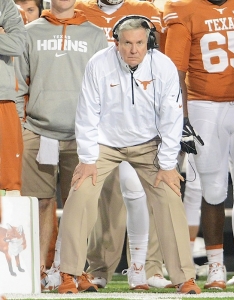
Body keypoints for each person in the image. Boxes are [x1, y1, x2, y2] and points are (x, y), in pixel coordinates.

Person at [58, 16, 201, 295]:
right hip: (104, 144)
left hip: (149, 143)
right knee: (80, 192)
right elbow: (86, 114)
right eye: (127, 43)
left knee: (170, 196)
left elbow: (171, 118)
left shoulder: (163, 65)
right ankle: (70, 273)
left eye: (139, 43)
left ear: (147, 42)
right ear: (116, 42)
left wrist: (168, 164)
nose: (134, 49)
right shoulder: (98, 64)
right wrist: (87, 160)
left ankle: (185, 277)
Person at [164, 0, 234, 290]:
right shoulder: (183, 10)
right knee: (212, 188)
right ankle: (216, 265)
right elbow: (174, 72)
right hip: (204, 105)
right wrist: (182, 117)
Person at [67, 0, 173, 289]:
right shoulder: (77, 11)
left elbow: (159, 68)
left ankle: (146, 266)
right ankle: (98, 267)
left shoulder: (147, 11)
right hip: (99, 124)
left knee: (139, 192)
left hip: (139, 122)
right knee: (103, 199)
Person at [14, 0, 108, 292]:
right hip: (37, 130)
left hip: (82, 135)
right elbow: (18, 82)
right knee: (38, 203)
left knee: (78, 205)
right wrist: (19, 124)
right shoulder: (29, 32)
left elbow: (105, 86)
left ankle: (72, 270)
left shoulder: (95, 34)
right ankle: (38, 271)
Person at [0, 0, 26, 194]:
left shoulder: (5, 4)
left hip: (2, 100)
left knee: (8, 181)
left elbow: (17, 45)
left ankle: (8, 225)